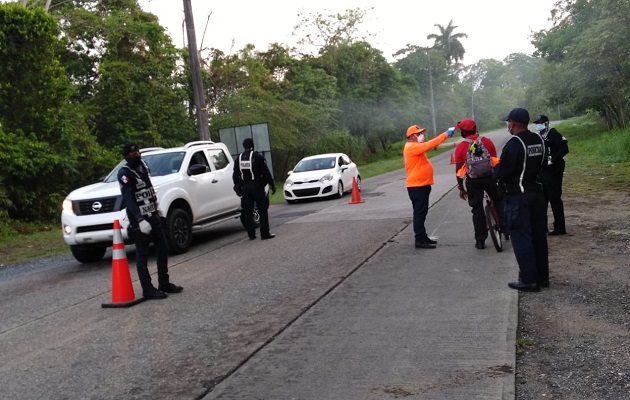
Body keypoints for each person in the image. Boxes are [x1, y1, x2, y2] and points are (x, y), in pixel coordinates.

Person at [117, 142, 183, 299]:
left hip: (153, 214)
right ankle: (147, 289)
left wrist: (157, 210)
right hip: (139, 219)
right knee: (143, 254)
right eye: (132, 155)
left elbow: (148, 189)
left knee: (163, 247)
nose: (136, 156)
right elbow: (128, 198)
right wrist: (139, 220)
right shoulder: (125, 173)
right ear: (126, 157)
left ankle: (164, 282)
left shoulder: (143, 166)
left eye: (137, 153)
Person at [494, 108, 549, 292]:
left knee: (521, 237)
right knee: (538, 237)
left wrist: (494, 172)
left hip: (519, 196)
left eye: (508, 122)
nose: (507, 126)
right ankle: (542, 277)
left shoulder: (514, 144)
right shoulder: (539, 140)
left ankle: (528, 279)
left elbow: (503, 172)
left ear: (514, 123)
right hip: (537, 194)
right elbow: (542, 164)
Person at [453, 118, 504, 249]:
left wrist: (461, 187)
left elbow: (459, 170)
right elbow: (494, 161)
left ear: (464, 132)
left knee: (477, 209)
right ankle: (506, 227)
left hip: (473, 181)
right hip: (489, 178)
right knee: (498, 200)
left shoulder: (461, 147)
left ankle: (480, 240)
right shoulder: (487, 142)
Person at [404, 125, 455, 249]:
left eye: (421, 132)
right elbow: (431, 144)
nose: (421, 135)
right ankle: (420, 239)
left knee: (422, 212)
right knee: (419, 213)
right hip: (417, 186)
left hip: (421, 185)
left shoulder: (416, 147)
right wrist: (446, 134)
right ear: (411, 136)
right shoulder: (411, 147)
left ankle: (423, 236)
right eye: (418, 133)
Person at [233, 138, 276, 240]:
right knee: (262, 209)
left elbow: (235, 175)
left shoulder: (238, 159)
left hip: (245, 188)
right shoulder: (257, 157)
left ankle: (251, 234)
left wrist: (238, 186)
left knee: (247, 211)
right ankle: (264, 233)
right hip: (257, 186)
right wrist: (271, 185)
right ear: (252, 145)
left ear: (244, 146)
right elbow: (266, 173)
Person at [534, 114, 569, 235]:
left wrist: (554, 158)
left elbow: (565, 149)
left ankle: (560, 227)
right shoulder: (539, 137)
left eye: (540, 122)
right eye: (536, 123)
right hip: (542, 171)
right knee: (542, 200)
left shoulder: (554, 134)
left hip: (554, 171)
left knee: (554, 199)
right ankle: (542, 227)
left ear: (546, 123)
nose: (538, 125)